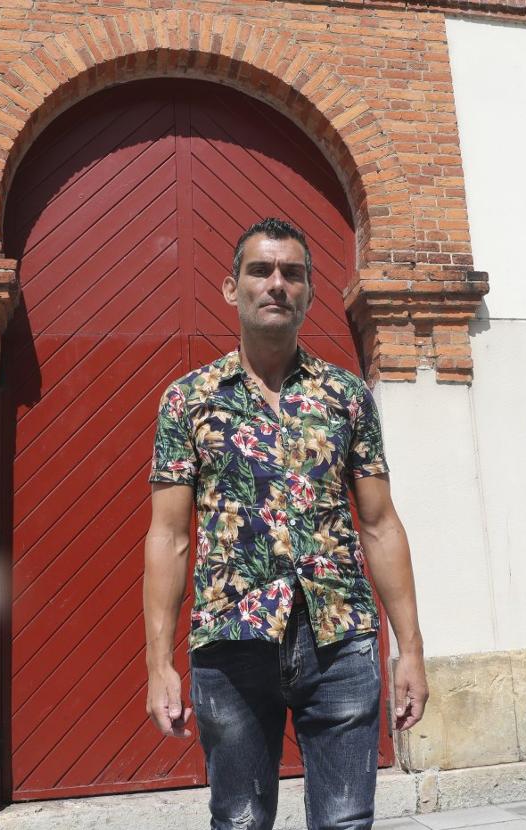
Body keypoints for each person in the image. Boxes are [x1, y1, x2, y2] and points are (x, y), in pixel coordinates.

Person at [143, 217, 428, 830]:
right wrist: (157, 662)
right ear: (230, 287)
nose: (277, 284)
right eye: (261, 270)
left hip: (341, 636)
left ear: (309, 291)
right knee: (241, 822)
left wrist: (411, 650)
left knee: (346, 821)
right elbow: (168, 536)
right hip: (231, 637)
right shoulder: (189, 400)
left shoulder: (347, 397)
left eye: (292, 274)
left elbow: (380, 524)